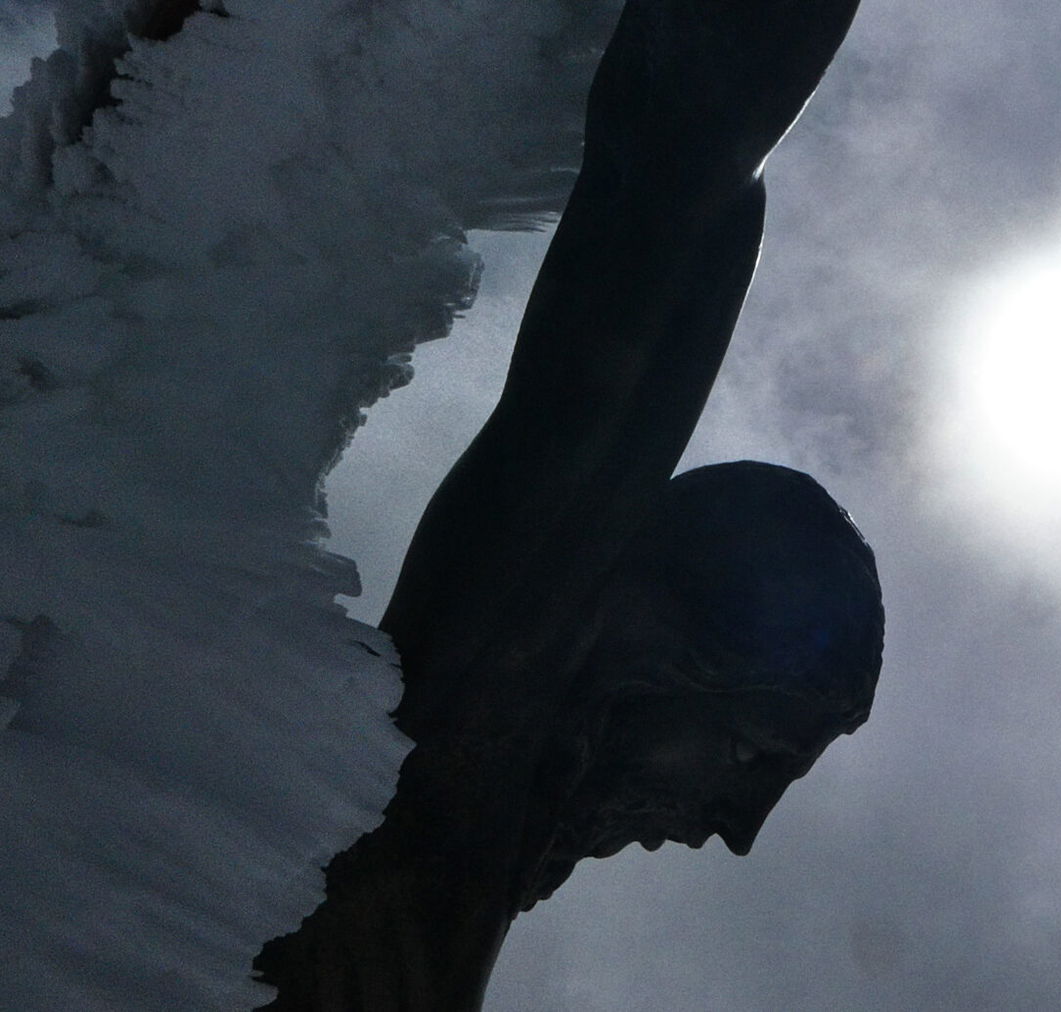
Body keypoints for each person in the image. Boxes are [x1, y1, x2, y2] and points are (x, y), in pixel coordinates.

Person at [252, 1, 880, 1007]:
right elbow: (664, 228)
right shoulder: (479, 691)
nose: (736, 826)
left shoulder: (484, 851)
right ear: (662, 636)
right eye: (754, 752)